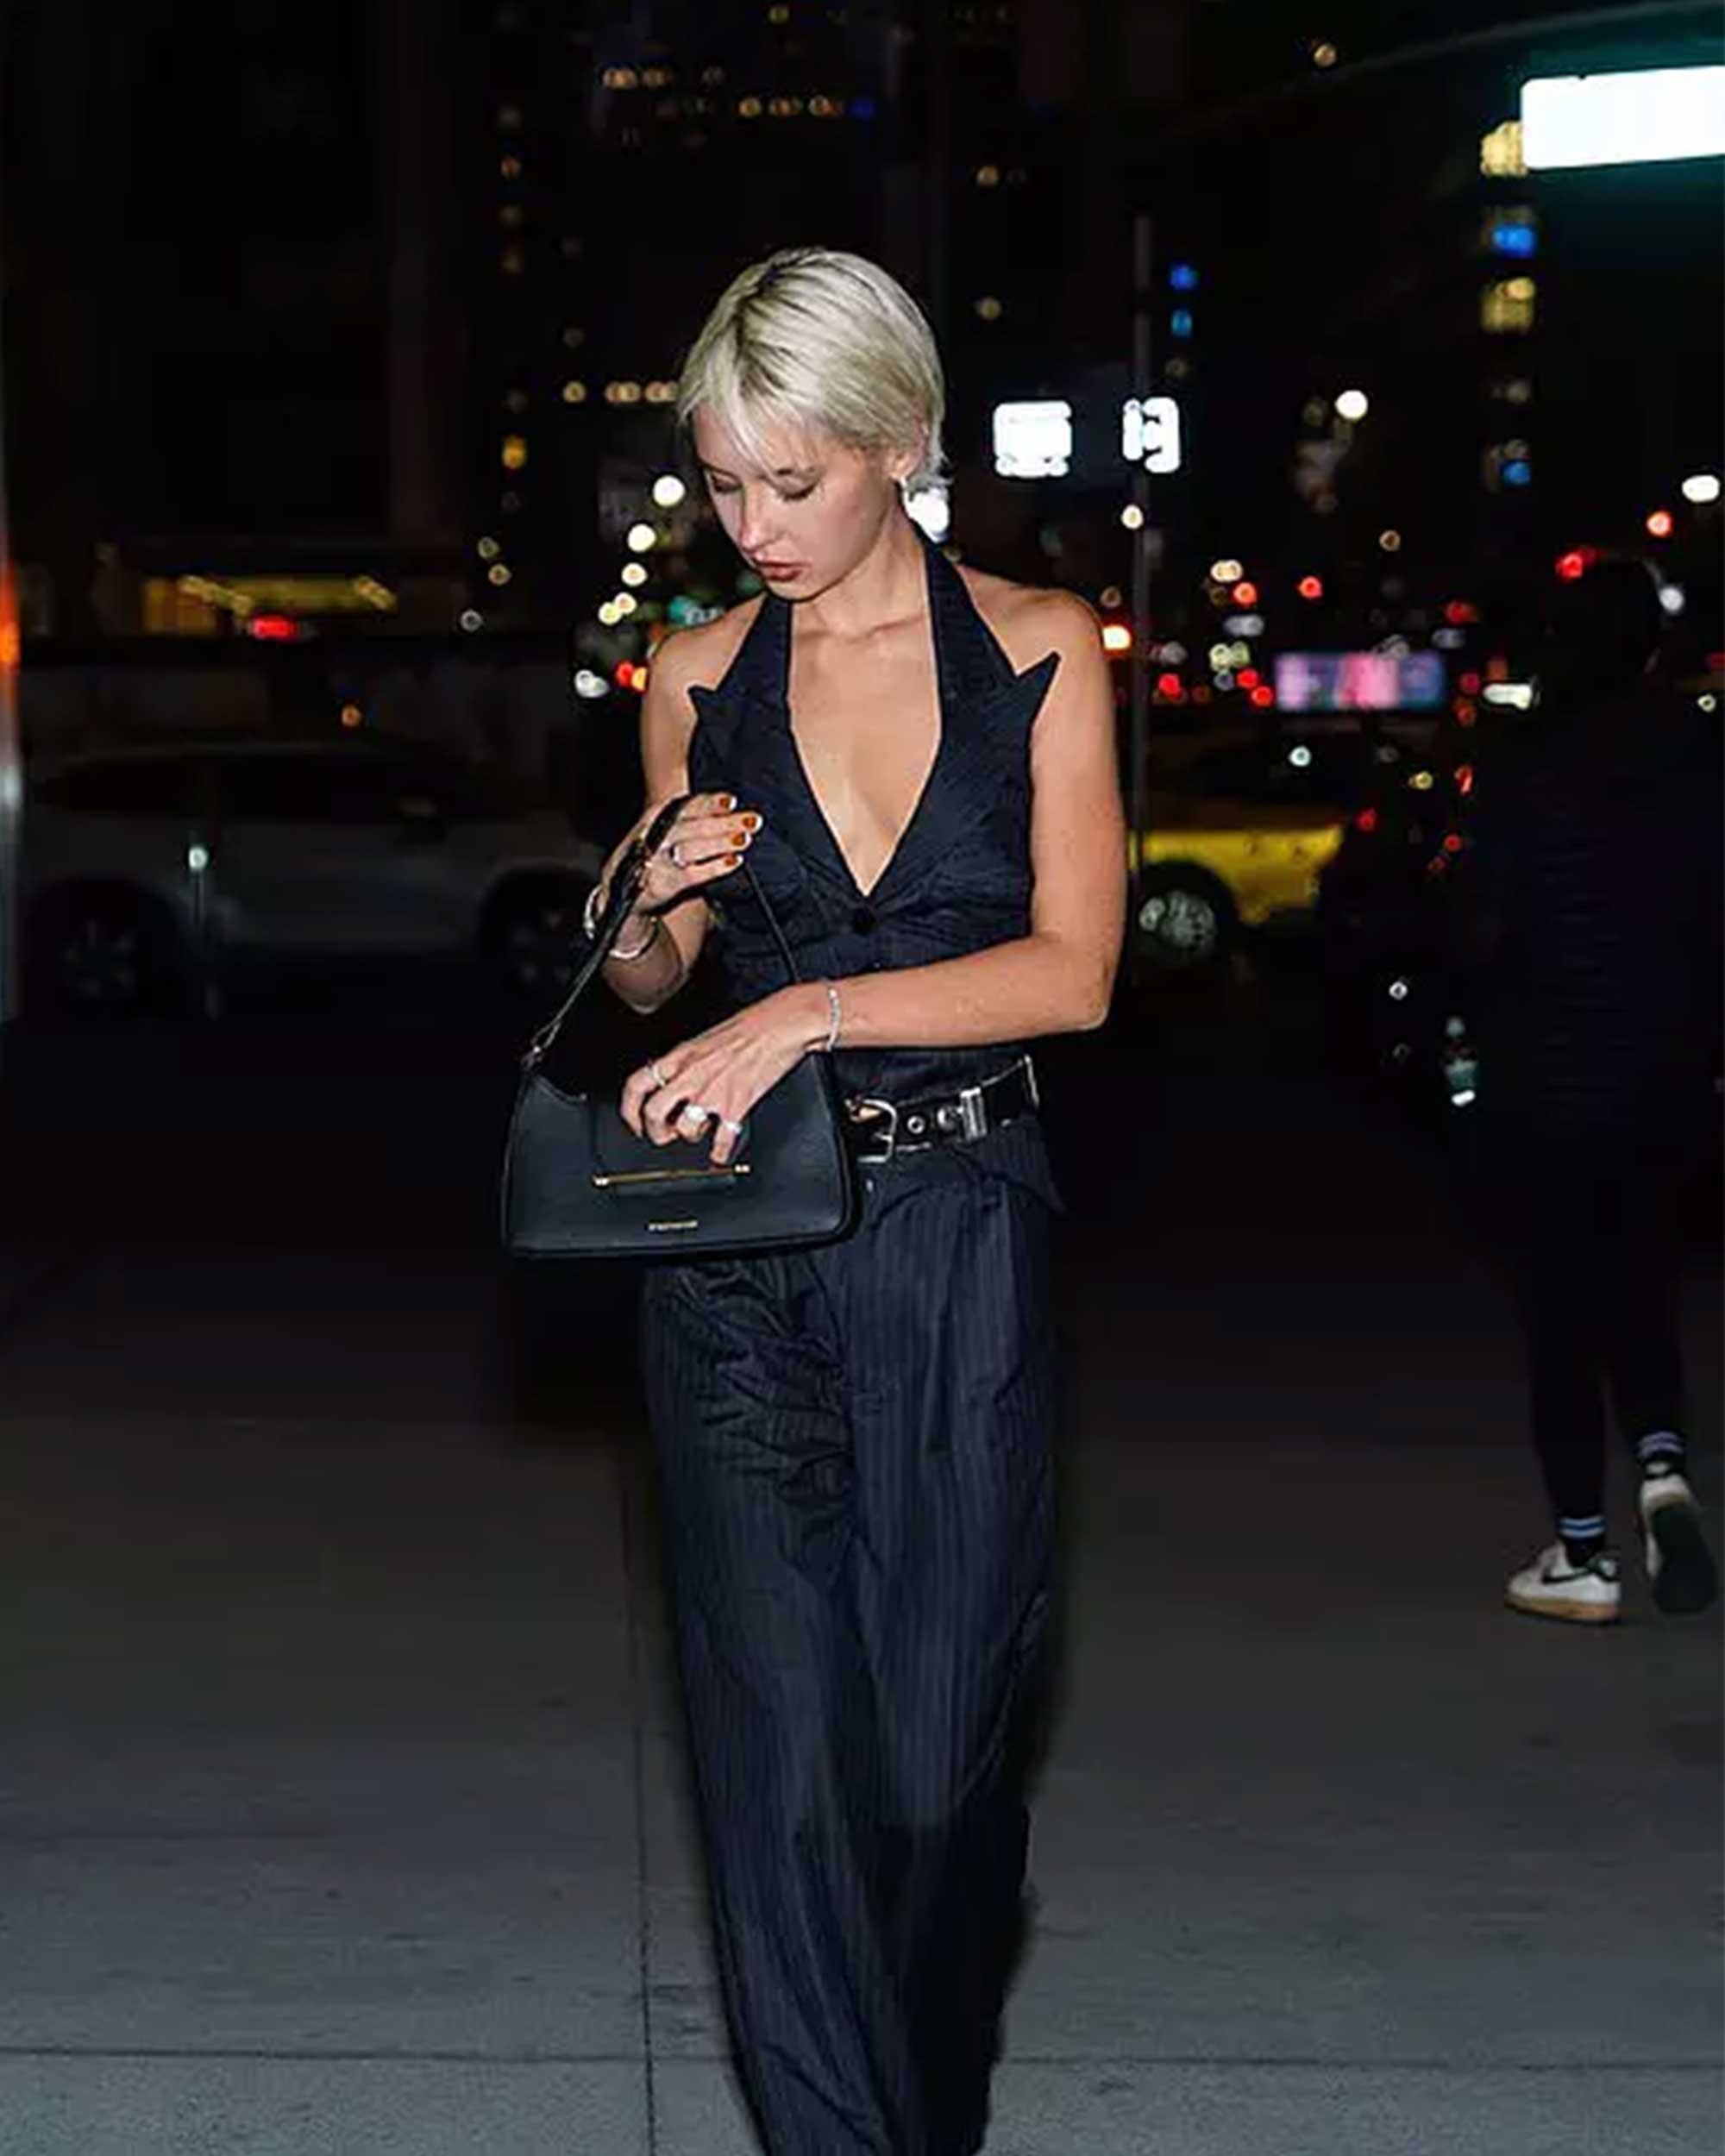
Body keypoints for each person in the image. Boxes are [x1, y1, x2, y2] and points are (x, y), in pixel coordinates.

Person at [584, 248, 1124, 2154]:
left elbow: (1072, 972)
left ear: (900, 439)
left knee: (932, 1757)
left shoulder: (1046, 649)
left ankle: (925, 2104)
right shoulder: (699, 673)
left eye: (789, 482)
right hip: (735, 1258)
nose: (756, 525)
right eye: (726, 484)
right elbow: (658, 982)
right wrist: (643, 897)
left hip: (959, 1228)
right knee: (777, 1760)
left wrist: (807, 1007)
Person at [1451, 555, 1720, 1626]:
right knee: (1640, 1285)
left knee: (1562, 1319)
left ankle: (1581, 1555)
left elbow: (1482, 929)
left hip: (1545, 1083)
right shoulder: (1699, 761)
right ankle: (1659, 1465)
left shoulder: (1521, 767)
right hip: (1663, 1074)